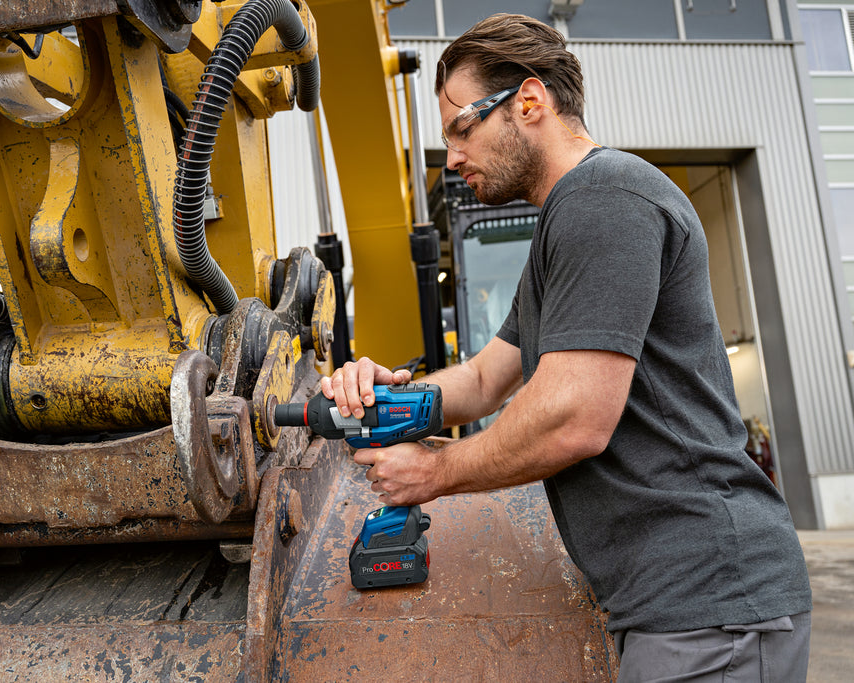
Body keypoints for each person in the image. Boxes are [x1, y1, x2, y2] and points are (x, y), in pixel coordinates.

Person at [322, 13, 812, 682]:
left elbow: (575, 416)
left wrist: (436, 472)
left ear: (529, 102)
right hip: (679, 606)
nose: (453, 158)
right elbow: (485, 378)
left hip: (708, 606)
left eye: (462, 129)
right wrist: (388, 394)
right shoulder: (568, 219)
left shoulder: (603, 198)